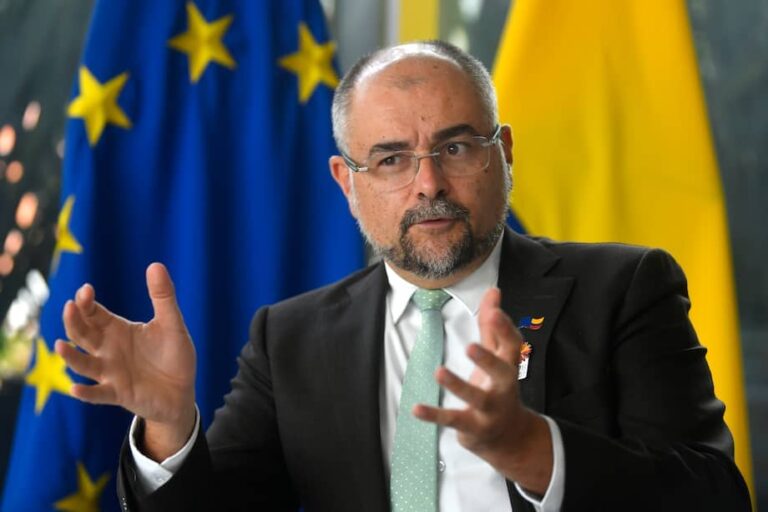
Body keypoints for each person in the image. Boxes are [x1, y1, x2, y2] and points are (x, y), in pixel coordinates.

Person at [56, 40, 750, 511]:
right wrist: (168, 427)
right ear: (346, 182)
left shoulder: (624, 289)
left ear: (504, 153)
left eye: (456, 147)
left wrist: (532, 449)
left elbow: (714, 495)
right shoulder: (290, 338)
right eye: (391, 159)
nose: (429, 184)